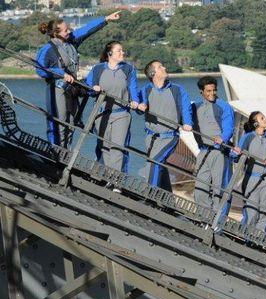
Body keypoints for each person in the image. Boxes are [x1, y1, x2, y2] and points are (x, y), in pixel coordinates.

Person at [35, 11, 121, 147]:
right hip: (57, 89)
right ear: (56, 33)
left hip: (72, 89)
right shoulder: (47, 49)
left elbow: (86, 29)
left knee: (70, 123)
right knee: (58, 122)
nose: (69, 31)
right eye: (65, 30)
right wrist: (60, 73)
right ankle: (55, 151)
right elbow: (40, 69)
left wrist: (106, 19)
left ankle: (66, 153)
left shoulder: (71, 41)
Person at [85, 41, 139, 178]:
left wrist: (135, 101)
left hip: (121, 114)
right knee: (104, 147)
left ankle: (116, 181)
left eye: (122, 50)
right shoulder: (97, 69)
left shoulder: (128, 69)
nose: (123, 53)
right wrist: (94, 88)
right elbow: (89, 88)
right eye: (119, 50)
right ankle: (107, 177)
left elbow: (132, 88)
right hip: (101, 113)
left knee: (117, 148)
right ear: (110, 53)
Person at [137, 60, 193, 191]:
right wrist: (140, 107)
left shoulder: (177, 89)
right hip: (151, 138)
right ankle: (167, 201)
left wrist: (188, 123)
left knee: (154, 162)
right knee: (158, 165)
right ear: (152, 73)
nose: (164, 67)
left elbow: (186, 108)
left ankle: (149, 194)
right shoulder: (146, 90)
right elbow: (140, 108)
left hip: (169, 137)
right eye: (160, 67)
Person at [232, 111, 266, 232]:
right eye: (262, 118)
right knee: (251, 211)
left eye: (264, 117)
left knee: (265, 211)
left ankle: (259, 240)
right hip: (251, 178)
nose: (265, 119)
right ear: (255, 123)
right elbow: (236, 155)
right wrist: (235, 152)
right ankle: (246, 238)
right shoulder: (248, 137)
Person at [191, 76, 234, 212]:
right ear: (201, 92)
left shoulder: (224, 106)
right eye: (208, 91)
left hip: (219, 152)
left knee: (219, 190)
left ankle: (218, 223)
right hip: (203, 152)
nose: (212, 94)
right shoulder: (195, 107)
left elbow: (229, 128)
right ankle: (205, 218)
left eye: (214, 90)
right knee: (200, 190)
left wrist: (223, 138)